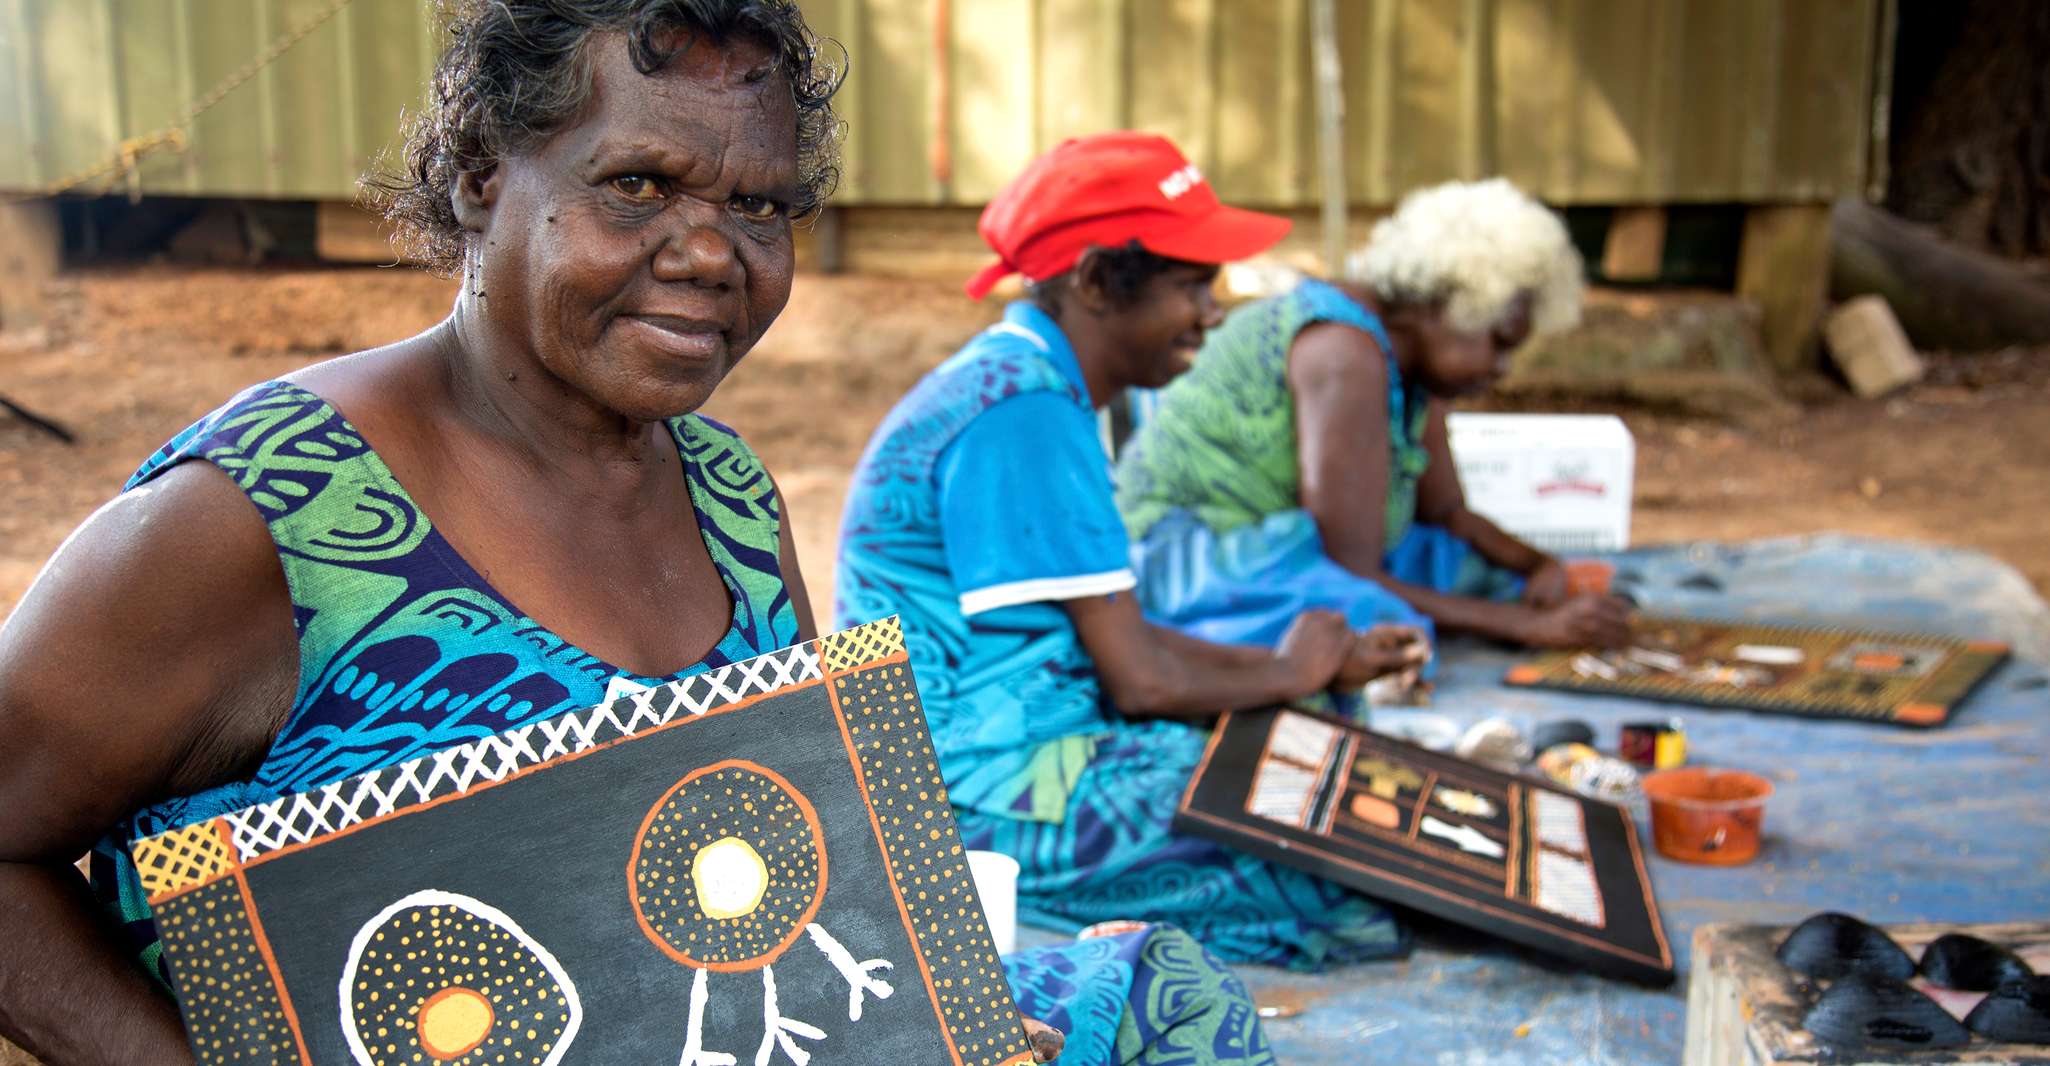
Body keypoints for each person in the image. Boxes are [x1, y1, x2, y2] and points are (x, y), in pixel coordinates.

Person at [0, 5, 1259, 1063]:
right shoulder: (262, 521)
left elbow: (807, 846)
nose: (711, 252)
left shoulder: (723, 493)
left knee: (1160, 999)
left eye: (760, 208)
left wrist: (934, 1010)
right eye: (638, 185)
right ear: (483, 172)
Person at [835, 131, 1426, 974]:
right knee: (1343, 871)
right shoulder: (1023, 412)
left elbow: (1119, 638)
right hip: (965, 798)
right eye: (1192, 287)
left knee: (1318, 756)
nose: (1214, 314)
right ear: (1097, 284)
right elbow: (1140, 679)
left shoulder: (1039, 387)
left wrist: (1305, 671)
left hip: (1019, 750)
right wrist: (1291, 669)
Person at [1115, 178, 1635, 652]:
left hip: (1302, 549)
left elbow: (1447, 513)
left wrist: (1538, 565)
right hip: (1197, 558)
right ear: (1441, 307)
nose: (1503, 369)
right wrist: (1524, 626)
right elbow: (1349, 569)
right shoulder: (1343, 354)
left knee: (1475, 571)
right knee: (1374, 627)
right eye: (1497, 344)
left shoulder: (1408, 361)